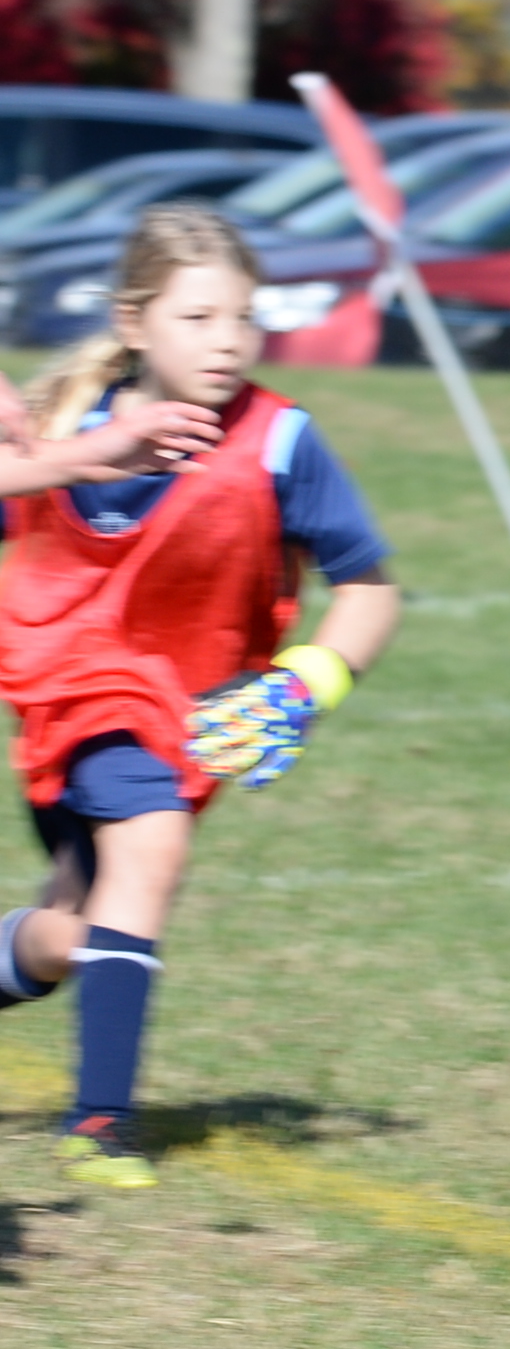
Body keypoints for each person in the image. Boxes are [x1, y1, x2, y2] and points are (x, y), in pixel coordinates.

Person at [0, 204, 401, 1191]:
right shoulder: (63, 428)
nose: (227, 341)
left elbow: (370, 589)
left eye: (243, 317)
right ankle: (100, 1125)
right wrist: (45, 455)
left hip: (194, 719)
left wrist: (304, 684)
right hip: (74, 697)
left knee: (72, 934)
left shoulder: (280, 441)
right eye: (198, 318)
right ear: (133, 323)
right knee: (151, 848)